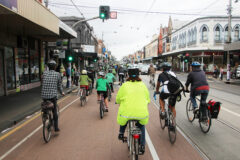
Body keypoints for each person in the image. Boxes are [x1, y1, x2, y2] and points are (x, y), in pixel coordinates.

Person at [116, 68, 150, 154]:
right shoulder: (143, 85)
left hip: (127, 113)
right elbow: (148, 99)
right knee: (141, 125)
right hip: (141, 113)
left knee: (123, 118)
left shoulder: (124, 85)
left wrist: (118, 102)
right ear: (138, 75)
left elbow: (118, 98)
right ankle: (142, 145)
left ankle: (121, 133)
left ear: (128, 75)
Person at [41, 60, 65, 132]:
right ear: (55, 67)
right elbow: (59, 85)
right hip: (52, 96)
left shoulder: (44, 73)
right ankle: (56, 127)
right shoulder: (57, 74)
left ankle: (45, 116)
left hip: (44, 95)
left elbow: (42, 82)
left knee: (45, 107)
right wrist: (62, 92)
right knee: (54, 111)